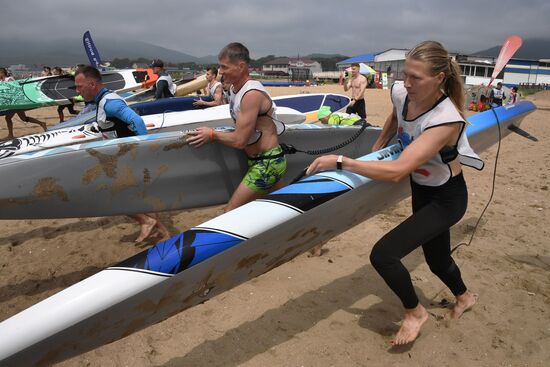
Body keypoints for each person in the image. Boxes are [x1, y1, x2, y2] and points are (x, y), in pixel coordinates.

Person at [306, 41, 481, 345]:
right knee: (437, 261)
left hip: (447, 198)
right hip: (423, 191)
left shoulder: (445, 119)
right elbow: (395, 116)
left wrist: (342, 162)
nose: (406, 83)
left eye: (416, 78)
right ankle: (465, 298)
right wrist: (377, 151)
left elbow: (400, 169)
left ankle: (415, 313)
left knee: (384, 254)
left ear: (439, 78)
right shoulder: (403, 92)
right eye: (405, 74)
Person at [74, 66, 170, 242]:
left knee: (110, 196)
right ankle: (162, 232)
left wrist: (144, 151)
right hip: (124, 157)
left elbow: (137, 121)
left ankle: (146, 221)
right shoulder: (103, 100)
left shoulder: (110, 103)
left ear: (92, 84)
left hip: (129, 158)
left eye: (80, 87)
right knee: (142, 195)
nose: (77, 91)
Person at [187, 42, 286, 212]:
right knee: (279, 209)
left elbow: (240, 141)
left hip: (267, 163)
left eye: (224, 67)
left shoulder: (251, 94)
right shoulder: (234, 89)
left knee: (230, 212)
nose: (221, 71)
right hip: (258, 161)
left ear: (241, 66)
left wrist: (212, 134)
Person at [1, 67, 47, 140]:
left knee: (8, 118)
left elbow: (16, 88)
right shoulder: (1, 81)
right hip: (11, 102)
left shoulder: (9, 79)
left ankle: (10, 135)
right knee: (23, 118)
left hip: (16, 102)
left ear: (3, 73)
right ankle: (41, 123)